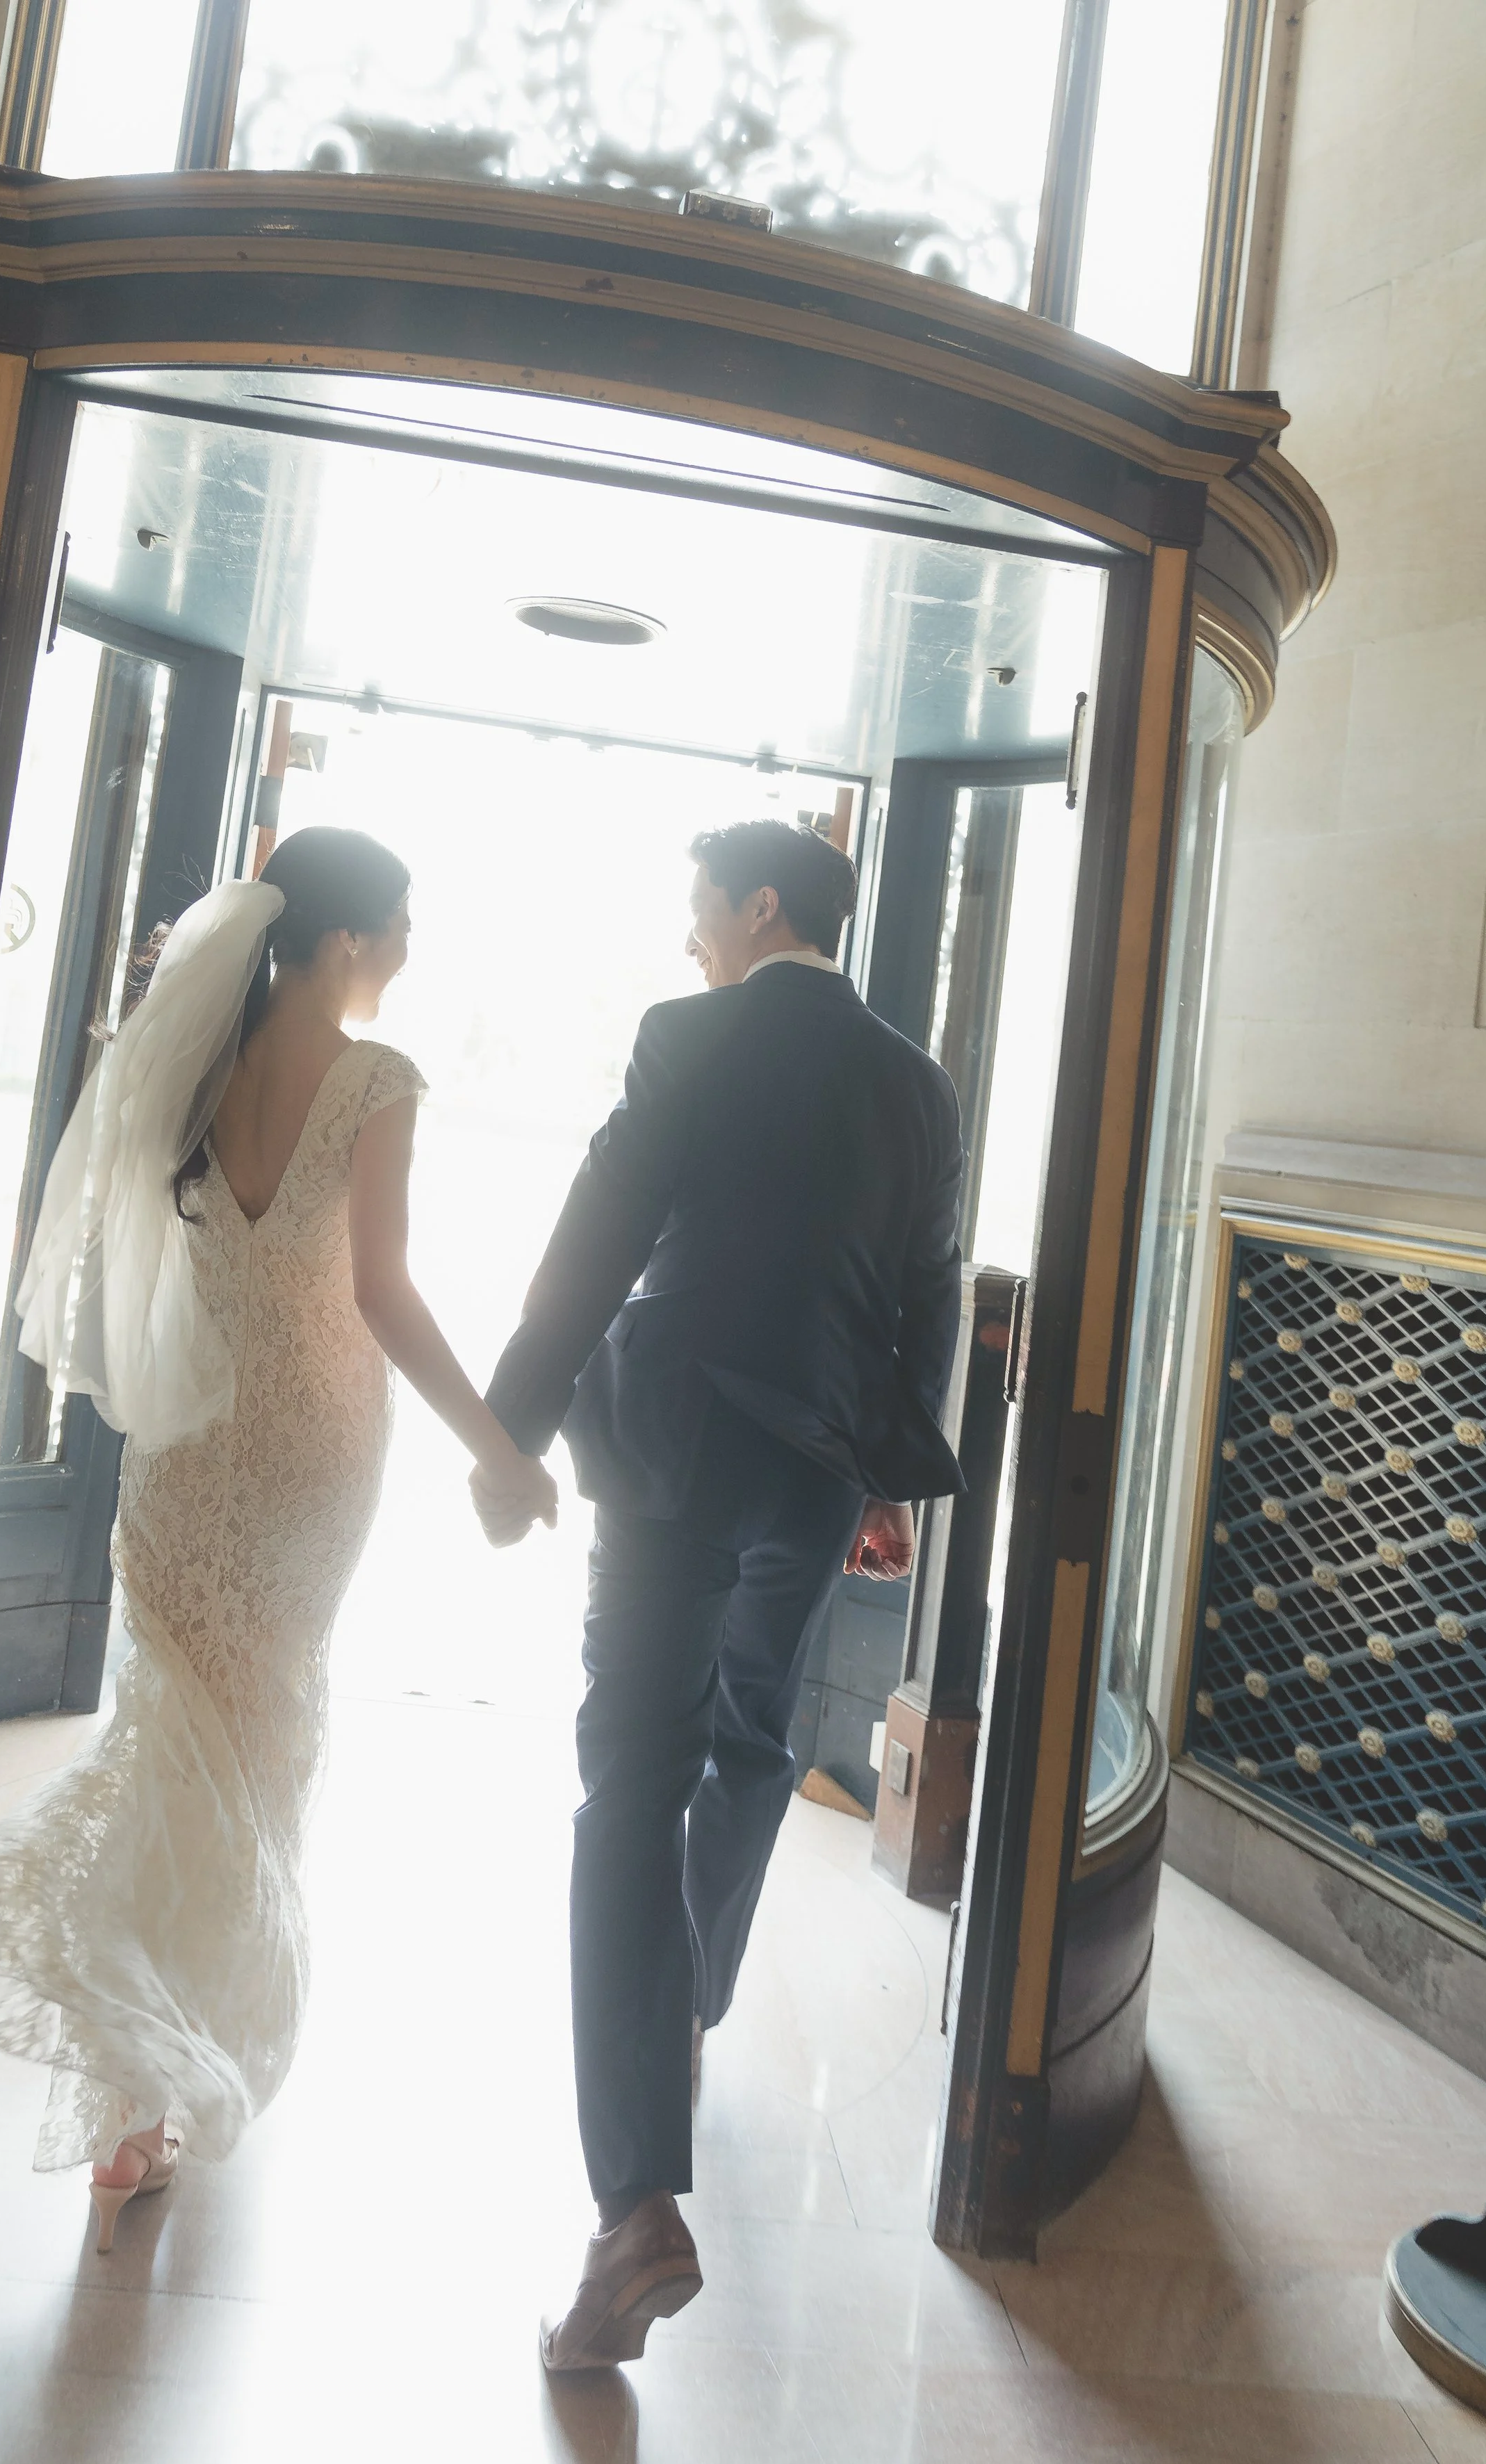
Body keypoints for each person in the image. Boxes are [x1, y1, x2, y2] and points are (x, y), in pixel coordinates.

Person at [0, 827, 555, 2251]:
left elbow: (124, 1235)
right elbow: (380, 1292)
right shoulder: (375, 1080)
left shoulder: (189, 1060)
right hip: (311, 1449)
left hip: (187, 1445)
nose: (403, 951)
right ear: (338, 941)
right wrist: (496, 1445)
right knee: (257, 1749)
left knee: (172, 1734)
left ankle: (134, 2100)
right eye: (397, 926)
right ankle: (168, 2061)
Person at [477, 819, 965, 2371]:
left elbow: (598, 1226)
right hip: (817, 1460)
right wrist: (887, 1477)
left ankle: (634, 2200)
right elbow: (927, 1287)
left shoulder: (686, 1033)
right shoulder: (917, 1078)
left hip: (673, 1440)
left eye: (699, 908)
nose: (688, 936)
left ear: (761, 907)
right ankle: (682, 2004)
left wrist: (507, 1429)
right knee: (755, 1733)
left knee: (628, 1774)